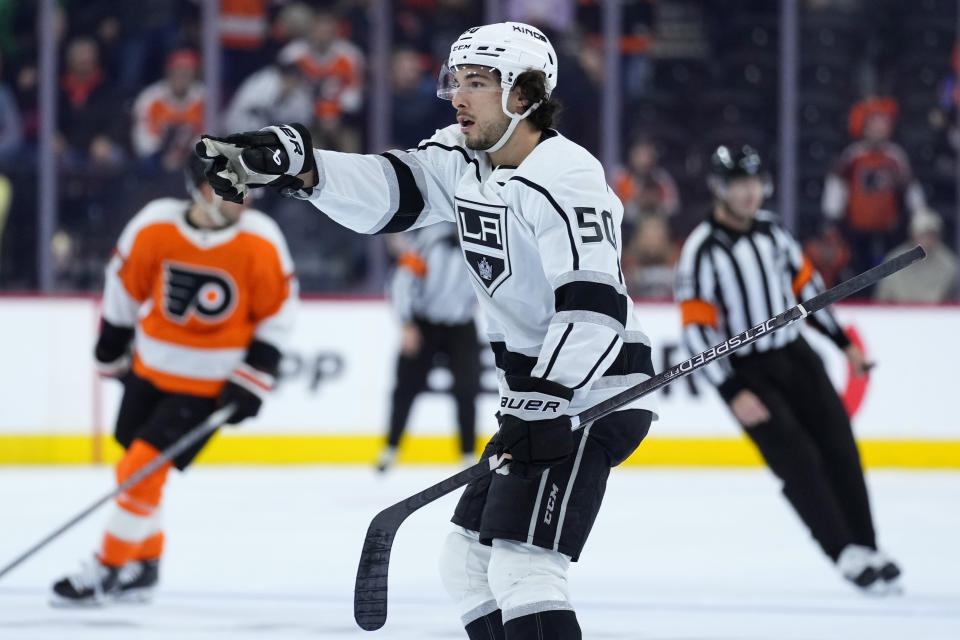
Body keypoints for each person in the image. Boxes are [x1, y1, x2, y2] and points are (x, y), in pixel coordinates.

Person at [198, 21, 657, 640]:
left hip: (590, 395)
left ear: (523, 95)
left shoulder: (567, 177)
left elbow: (595, 308)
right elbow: (392, 190)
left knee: (525, 567)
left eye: (478, 82)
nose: (458, 95)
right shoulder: (465, 160)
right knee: (467, 566)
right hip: (539, 396)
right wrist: (302, 170)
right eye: (456, 80)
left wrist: (549, 400)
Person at [50, 154, 298, 606]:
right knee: (135, 468)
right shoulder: (155, 225)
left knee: (141, 471)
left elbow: (277, 313)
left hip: (207, 388)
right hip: (148, 372)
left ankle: (108, 568)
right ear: (207, 191)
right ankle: (145, 563)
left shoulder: (261, 240)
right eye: (238, 188)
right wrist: (112, 344)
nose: (249, 199)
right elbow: (125, 286)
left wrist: (254, 374)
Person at [675, 144, 902, 594]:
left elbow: (810, 294)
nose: (748, 193)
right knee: (798, 462)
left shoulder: (773, 232)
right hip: (750, 373)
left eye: (755, 182)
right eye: (739, 183)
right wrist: (732, 390)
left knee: (840, 447)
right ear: (721, 188)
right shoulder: (701, 250)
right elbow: (697, 333)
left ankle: (868, 544)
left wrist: (842, 344)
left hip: (796, 356)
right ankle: (844, 553)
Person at [378, 222, 480, 472]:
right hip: (424, 324)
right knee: (405, 387)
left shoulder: (484, 242)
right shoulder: (431, 239)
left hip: (461, 325)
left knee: (467, 389)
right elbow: (403, 280)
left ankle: (468, 454)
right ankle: (390, 448)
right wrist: (407, 323)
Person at [821, 97, 925, 276]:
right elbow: (837, 185)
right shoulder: (853, 155)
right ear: (864, 127)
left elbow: (910, 186)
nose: (879, 130)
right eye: (874, 125)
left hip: (889, 228)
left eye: (883, 125)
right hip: (857, 228)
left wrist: (919, 214)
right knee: (859, 270)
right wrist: (831, 216)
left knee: (890, 268)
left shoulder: (895, 156)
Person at [874, 208, 959, 303]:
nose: (927, 240)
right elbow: (881, 301)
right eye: (923, 235)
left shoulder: (950, 264)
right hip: (899, 315)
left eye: (932, 235)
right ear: (913, 235)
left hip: (935, 316)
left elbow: (953, 303)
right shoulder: (893, 262)